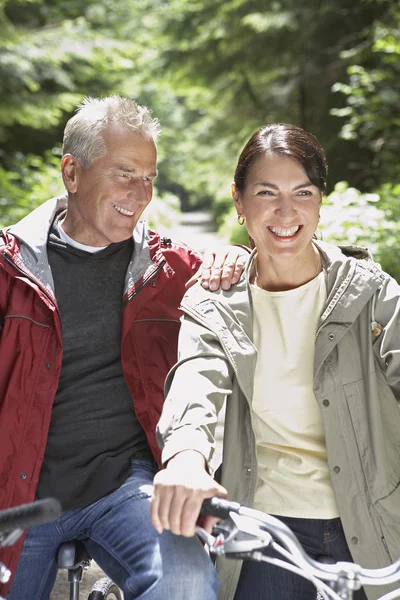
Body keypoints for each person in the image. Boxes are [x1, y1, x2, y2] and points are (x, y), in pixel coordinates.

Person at [0, 95, 248, 600]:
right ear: (73, 172)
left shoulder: (169, 270)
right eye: (124, 174)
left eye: (149, 177)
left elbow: (263, 274)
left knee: (187, 582)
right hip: (17, 490)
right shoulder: (9, 269)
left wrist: (239, 255)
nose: (140, 194)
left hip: (126, 487)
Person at [151, 123, 400, 600]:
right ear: (239, 201)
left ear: (320, 201)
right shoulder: (215, 302)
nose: (286, 211)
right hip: (264, 532)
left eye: (302, 192)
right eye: (266, 192)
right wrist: (185, 459)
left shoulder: (369, 292)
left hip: (373, 521)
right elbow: (193, 385)